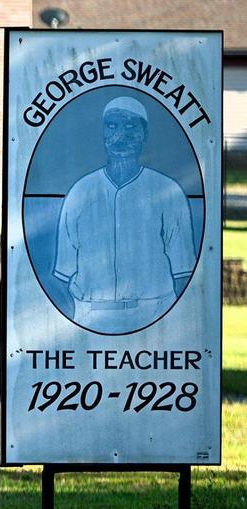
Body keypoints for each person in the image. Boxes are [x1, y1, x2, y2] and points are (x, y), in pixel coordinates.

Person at [53, 95, 195, 334]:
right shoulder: (81, 191)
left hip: (155, 313)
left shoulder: (167, 190)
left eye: (131, 126)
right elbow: (62, 272)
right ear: (103, 133)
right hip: (90, 314)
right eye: (112, 125)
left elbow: (183, 271)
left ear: (145, 135)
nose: (121, 135)